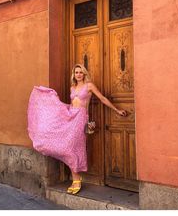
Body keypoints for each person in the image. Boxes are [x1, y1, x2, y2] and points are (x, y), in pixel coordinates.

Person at [27, 63, 127, 195]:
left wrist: (116, 110)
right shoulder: (72, 87)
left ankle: (76, 178)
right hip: (70, 116)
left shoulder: (89, 86)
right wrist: (58, 106)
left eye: (80, 72)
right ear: (74, 75)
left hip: (80, 118)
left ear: (84, 74)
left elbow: (102, 98)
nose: (78, 74)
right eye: (76, 72)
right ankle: (76, 177)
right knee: (64, 145)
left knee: (72, 147)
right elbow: (72, 104)